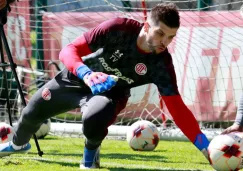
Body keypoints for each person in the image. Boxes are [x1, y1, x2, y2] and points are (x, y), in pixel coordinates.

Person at [0, 3, 210, 169]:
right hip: (76, 79)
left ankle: (90, 158)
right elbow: (68, 50)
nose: (165, 41)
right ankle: (19, 145)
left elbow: (178, 110)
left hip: (110, 95)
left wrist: (206, 147)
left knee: (95, 117)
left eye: (170, 37)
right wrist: (87, 74)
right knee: (30, 113)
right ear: (146, 26)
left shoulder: (162, 64)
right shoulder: (118, 28)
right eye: (160, 33)